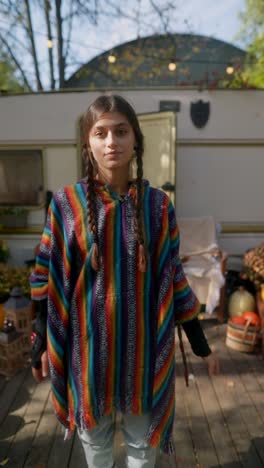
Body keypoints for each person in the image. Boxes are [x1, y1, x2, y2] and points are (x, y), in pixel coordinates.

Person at [30, 94, 219, 468]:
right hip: (87, 356)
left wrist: (200, 344)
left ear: (136, 139)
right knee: (97, 453)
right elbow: (45, 275)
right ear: (88, 142)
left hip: (143, 355)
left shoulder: (158, 206)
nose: (111, 142)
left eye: (121, 131)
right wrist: (39, 342)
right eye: (100, 133)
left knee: (141, 454)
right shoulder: (66, 204)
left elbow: (173, 278)